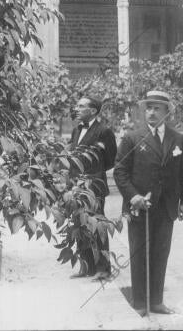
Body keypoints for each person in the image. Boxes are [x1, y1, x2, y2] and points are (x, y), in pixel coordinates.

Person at [113, 90, 183, 314]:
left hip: (166, 208)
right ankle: (140, 303)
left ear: (167, 112)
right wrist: (133, 196)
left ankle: (156, 301)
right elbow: (120, 172)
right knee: (139, 254)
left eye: (157, 108)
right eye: (148, 107)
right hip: (139, 207)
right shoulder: (132, 137)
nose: (151, 112)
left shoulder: (178, 139)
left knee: (160, 252)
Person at [69, 96, 117, 279]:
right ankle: (86, 266)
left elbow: (111, 160)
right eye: (78, 105)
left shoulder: (104, 131)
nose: (77, 108)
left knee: (98, 226)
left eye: (81, 106)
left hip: (94, 186)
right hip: (76, 186)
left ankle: (103, 269)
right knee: (79, 224)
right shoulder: (76, 130)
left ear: (93, 111)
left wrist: (93, 174)